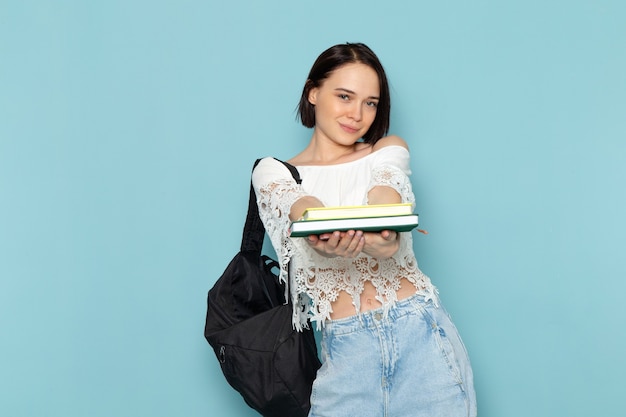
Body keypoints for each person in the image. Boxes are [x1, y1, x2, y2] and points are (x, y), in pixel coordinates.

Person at [252, 42, 477, 417]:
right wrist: (322, 237)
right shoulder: (273, 171)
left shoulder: (387, 149)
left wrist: (385, 235)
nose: (357, 114)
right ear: (313, 92)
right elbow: (302, 209)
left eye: (370, 102)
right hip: (346, 354)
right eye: (344, 96)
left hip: (420, 338)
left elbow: (386, 193)